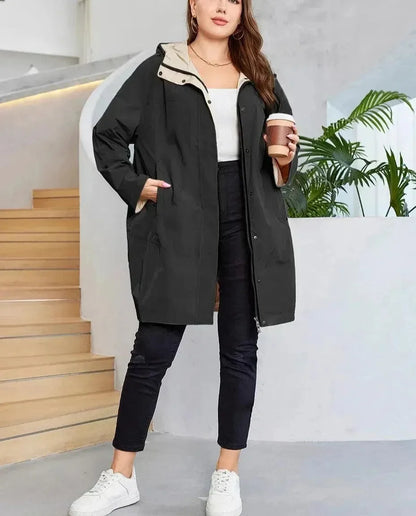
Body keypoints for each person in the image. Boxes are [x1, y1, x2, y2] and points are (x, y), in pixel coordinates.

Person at [68, 1, 300, 515]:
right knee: (153, 347)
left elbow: (283, 151)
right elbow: (108, 135)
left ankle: (227, 474)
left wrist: (285, 158)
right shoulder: (162, 69)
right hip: (180, 214)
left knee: (239, 348)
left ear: (242, 12)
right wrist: (136, 185)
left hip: (246, 214)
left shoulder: (258, 74)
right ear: (193, 5)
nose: (223, 7)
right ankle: (121, 476)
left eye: (234, 0)